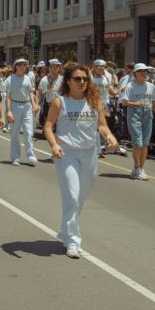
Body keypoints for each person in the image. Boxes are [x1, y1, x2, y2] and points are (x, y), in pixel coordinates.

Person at [45, 64, 118, 259]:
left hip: (89, 153)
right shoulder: (60, 102)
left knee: (80, 198)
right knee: (72, 195)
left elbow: (102, 126)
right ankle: (73, 241)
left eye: (85, 79)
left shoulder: (94, 101)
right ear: (68, 81)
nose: (82, 82)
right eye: (77, 79)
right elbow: (48, 126)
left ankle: (65, 229)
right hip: (66, 153)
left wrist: (109, 136)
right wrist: (54, 145)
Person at [120, 63, 155, 180]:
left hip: (148, 114)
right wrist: (136, 104)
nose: (144, 73)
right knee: (137, 143)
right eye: (141, 71)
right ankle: (136, 167)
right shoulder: (130, 86)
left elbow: (154, 103)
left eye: (146, 71)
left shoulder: (151, 86)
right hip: (134, 114)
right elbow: (124, 102)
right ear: (135, 74)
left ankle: (141, 169)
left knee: (145, 143)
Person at [5, 59, 39, 166]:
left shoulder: (28, 78)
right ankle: (15, 157)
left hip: (27, 106)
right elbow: (8, 97)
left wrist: (34, 104)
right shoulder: (10, 79)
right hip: (15, 105)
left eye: (24, 64)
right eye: (20, 65)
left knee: (28, 132)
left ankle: (31, 156)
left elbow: (31, 93)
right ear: (16, 66)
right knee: (15, 133)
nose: (23, 66)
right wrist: (9, 111)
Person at [91, 59, 125, 157]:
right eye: (99, 66)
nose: (101, 68)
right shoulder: (89, 76)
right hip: (91, 105)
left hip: (104, 106)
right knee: (93, 127)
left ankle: (99, 148)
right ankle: (94, 147)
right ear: (94, 67)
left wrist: (116, 91)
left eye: (103, 66)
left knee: (102, 127)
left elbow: (109, 89)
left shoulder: (107, 76)